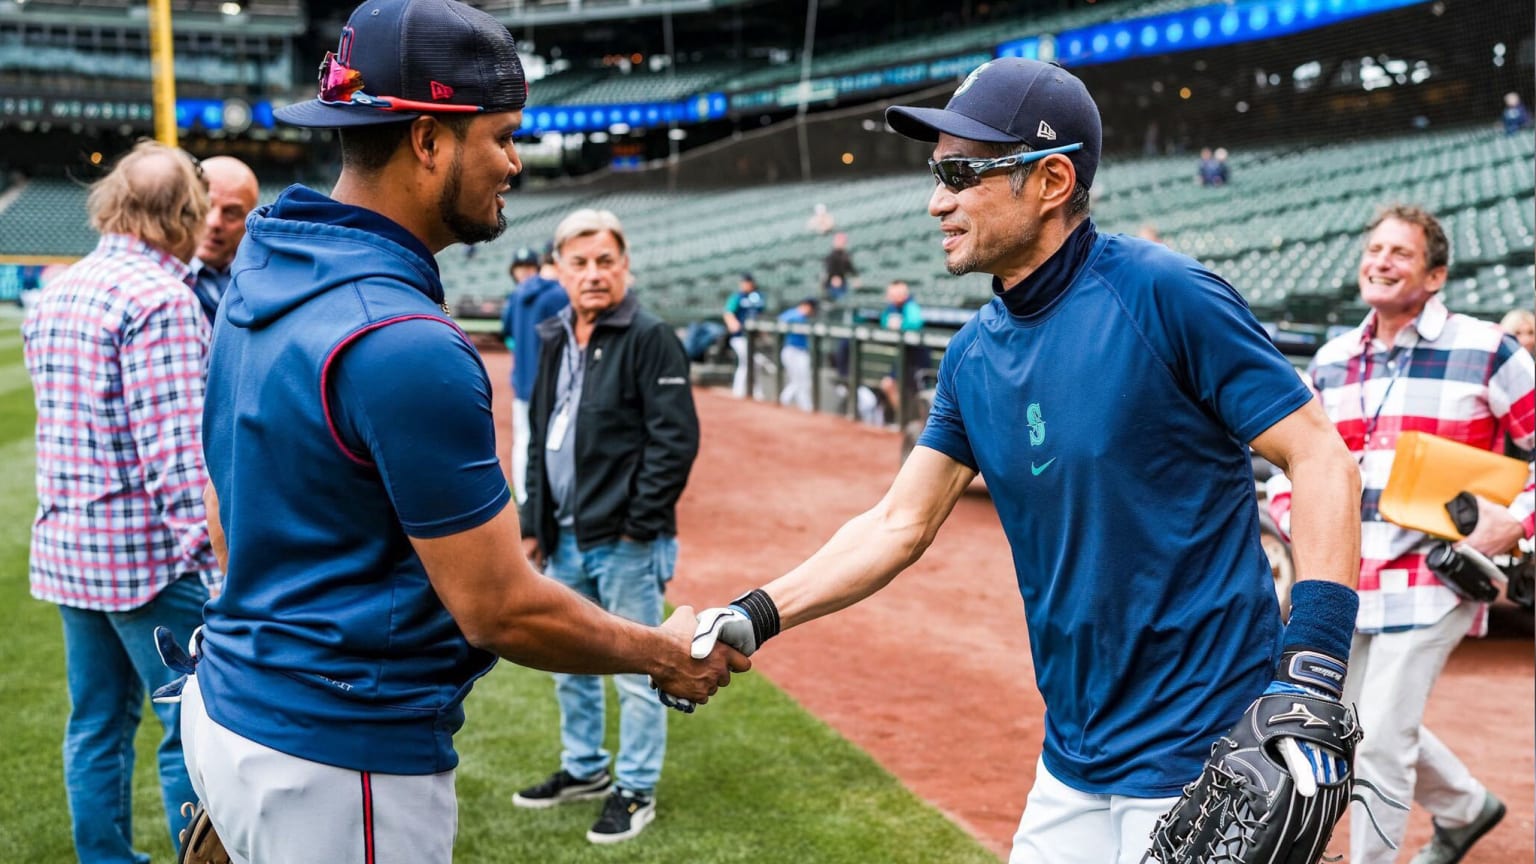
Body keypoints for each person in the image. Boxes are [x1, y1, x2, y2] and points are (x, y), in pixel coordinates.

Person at [678, 57, 1365, 863]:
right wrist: (755, 614)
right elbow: (899, 523)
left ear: (1051, 179)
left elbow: (1321, 458)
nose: (938, 200)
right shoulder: (972, 355)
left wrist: (1313, 664)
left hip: (1203, 751)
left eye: (963, 172)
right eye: (938, 174)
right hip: (1072, 756)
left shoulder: (1165, 293)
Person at [179, 3, 745, 862]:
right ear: (429, 140)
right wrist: (661, 652)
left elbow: (225, 507)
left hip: (229, 701)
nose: (514, 163)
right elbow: (499, 609)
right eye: (503, 136)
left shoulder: (259, 268)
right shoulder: (407, 341)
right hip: (340, 754)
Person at [1267, 205, 1534, 864]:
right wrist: (1289, 510)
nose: (1381, 261)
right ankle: (1467, 808)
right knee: (1358, 726)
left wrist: (1520, 519)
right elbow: (1293, 464)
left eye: (1401, 254)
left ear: (1436, 274)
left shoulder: (1486, 349)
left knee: (1382, 738)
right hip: (1349, 578)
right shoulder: (1331, 360)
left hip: (1437, 575)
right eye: (1375, 248)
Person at [22, 139, 219, 862]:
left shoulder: (60, 289)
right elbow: (175, 461)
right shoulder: (162, 299)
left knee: (96, 723)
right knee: (188, 731)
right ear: (181, 213)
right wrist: (217, 564)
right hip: (145, 561)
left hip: (72, 551)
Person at [514, 209, 700, 844]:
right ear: (559, 271)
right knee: (571, 663)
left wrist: (637, 524)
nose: (593, 274)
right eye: (580, 263)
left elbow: (674, 442)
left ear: (625, 267)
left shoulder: (650, 336)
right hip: (562, 535)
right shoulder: (551, 334)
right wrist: (534, 523)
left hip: (624, 541)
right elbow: (542, 437)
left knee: (641, 668)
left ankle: (635, 786)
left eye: (605, 262)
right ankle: (585, 768)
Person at [499, 244, 568, 505]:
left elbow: (507, 333)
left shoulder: (517, 294)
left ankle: (526, 498)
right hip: (552, 385)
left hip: (523, 381)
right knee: (554, 440)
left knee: (524, 440)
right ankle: (550, 497)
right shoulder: (561, 295)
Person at [189, 156, 259, 324]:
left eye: (231, 212)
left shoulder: (264, 280)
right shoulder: (156, 277)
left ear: (250, 219)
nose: (214, 222)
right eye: (205, 206)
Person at [876, 278, 927, 423]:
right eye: (891, 294)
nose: (892, 297)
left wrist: (901, 324)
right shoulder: (892, 308)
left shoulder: (911, 306)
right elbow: (884, 321)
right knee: (888, 384)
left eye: (897, 293)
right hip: (901, 358)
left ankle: (921, 427)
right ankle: (903, 419)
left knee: (918, 395)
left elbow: (915, 322)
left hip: (916, 360)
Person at [723, 272, 766, 398]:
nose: (745, 284)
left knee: (752, 364)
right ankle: (740, 391)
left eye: (747, 282)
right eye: (743, 282)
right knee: (747, 362)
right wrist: (732, 323)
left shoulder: (757, 296)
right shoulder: (737, 297)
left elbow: (760, 315)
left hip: (753, 337)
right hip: (739, 337)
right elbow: (728, 312)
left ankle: (753, 391)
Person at [778, 296, 818, 411]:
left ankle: (792, 403)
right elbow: (780, 321)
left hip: (801, 352)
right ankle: (794, 403)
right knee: (798, 380)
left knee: (803, 380)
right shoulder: (794, 314)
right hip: (791, 350)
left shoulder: (805, 318)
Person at [822, 231, 858, 302]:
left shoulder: (846, 255)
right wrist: (833, 278)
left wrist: (856, 278)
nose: (840, 243)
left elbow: (850, 268)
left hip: (842, 283)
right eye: (838, 241)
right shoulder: (831, 256)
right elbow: (829, 270)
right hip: (833, 283)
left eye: (843, 241)